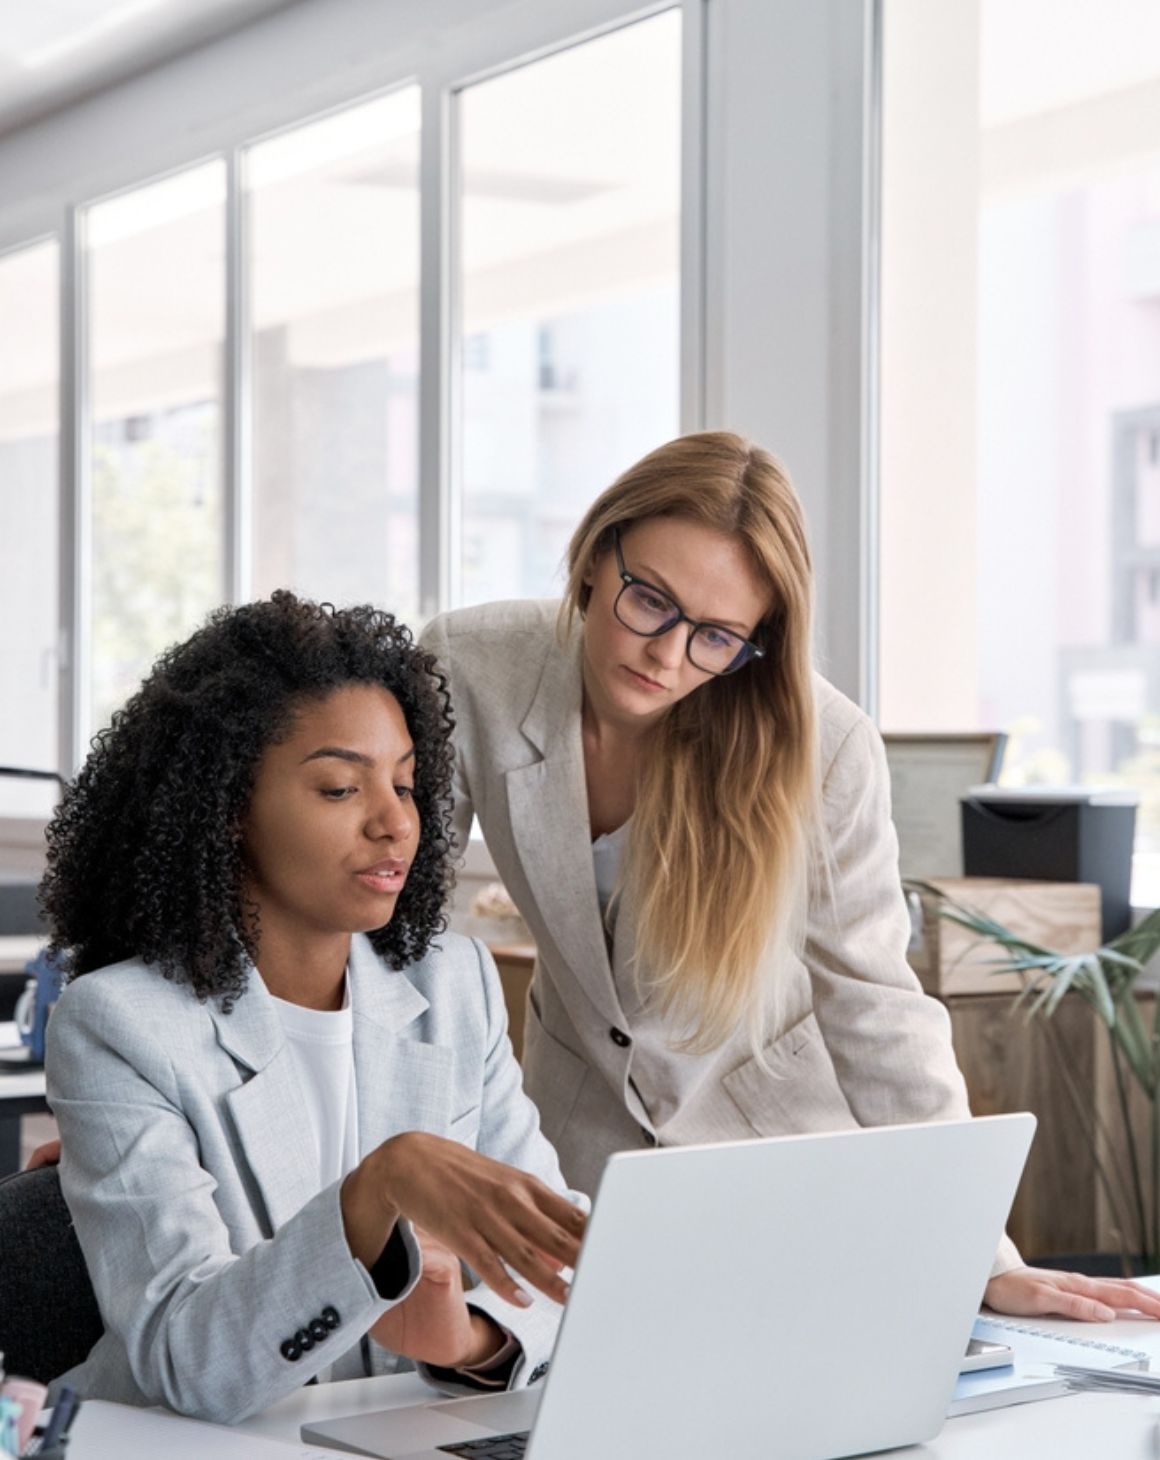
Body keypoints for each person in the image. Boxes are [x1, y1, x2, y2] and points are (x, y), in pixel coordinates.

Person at [420, 430, 1160, 1324]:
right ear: (594, 554)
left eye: (717, 637)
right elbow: (405, 925)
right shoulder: (471, 665)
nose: (667, 654)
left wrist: (976, 1252)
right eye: (649, 599)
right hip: (572, 1145)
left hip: (776, 1156)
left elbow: (875, 1005)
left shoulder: (826, 746)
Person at [38, 592, 585, 1425]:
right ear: (225, 808)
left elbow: (568, 1261)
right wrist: (380, 1189)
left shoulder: (455, 989)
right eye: (339, 788)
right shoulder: (120, 1027)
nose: (394, 822)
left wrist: (471, 1340)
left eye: (405, 784)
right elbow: (189, 1361)